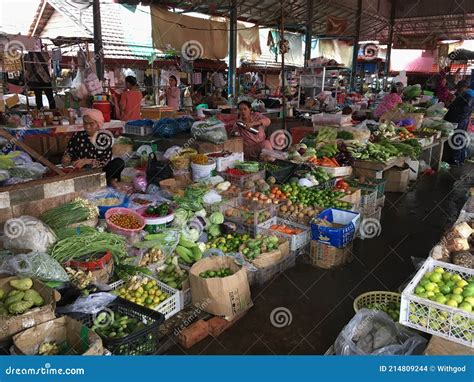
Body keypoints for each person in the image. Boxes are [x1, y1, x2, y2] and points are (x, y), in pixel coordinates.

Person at [62, 108, 124, 185]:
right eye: (85, 123)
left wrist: (87, 161)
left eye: (91, 124)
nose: (87, 127)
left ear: (98, 125)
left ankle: (108, 181)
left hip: (99, 171)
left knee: (118, 163)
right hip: (81, 172)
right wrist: (66, 157)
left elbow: (105, 161)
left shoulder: (105, 138)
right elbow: (69, 151)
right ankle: (107, 182)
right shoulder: (78, 136)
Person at [444, 80, 474, 165]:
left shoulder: (469, 96)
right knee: (460, 138)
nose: (459, 91)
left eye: (460, 89)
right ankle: (459, 159)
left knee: (457, 139)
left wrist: (452, 106)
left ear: (465, 87)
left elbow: (463, 110)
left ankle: (455, 159)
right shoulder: (467, 94)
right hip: (462, 120)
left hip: (459, 120)